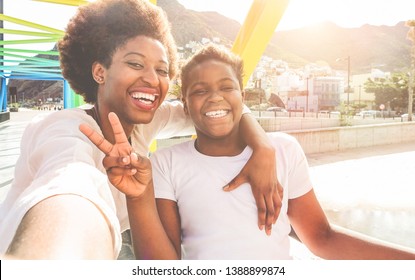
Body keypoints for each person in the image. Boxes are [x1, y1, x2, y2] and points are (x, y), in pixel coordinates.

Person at [0, 0, 281, 259]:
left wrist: (263, 147)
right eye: (135, 64)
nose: (151, 79)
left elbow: (213, 108)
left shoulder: (145, 122)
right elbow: (69, 187)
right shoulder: (63, 130)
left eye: (162, 70)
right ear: (100, 72)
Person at [83, 44, 415, 259]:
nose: (215, 97)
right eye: (199, 91)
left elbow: (322, 238)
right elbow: (166, 266)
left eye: (226, 87)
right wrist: (138, 197)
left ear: (243, 95)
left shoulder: (284, 150)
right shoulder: (168, 164)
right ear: (184, 103)